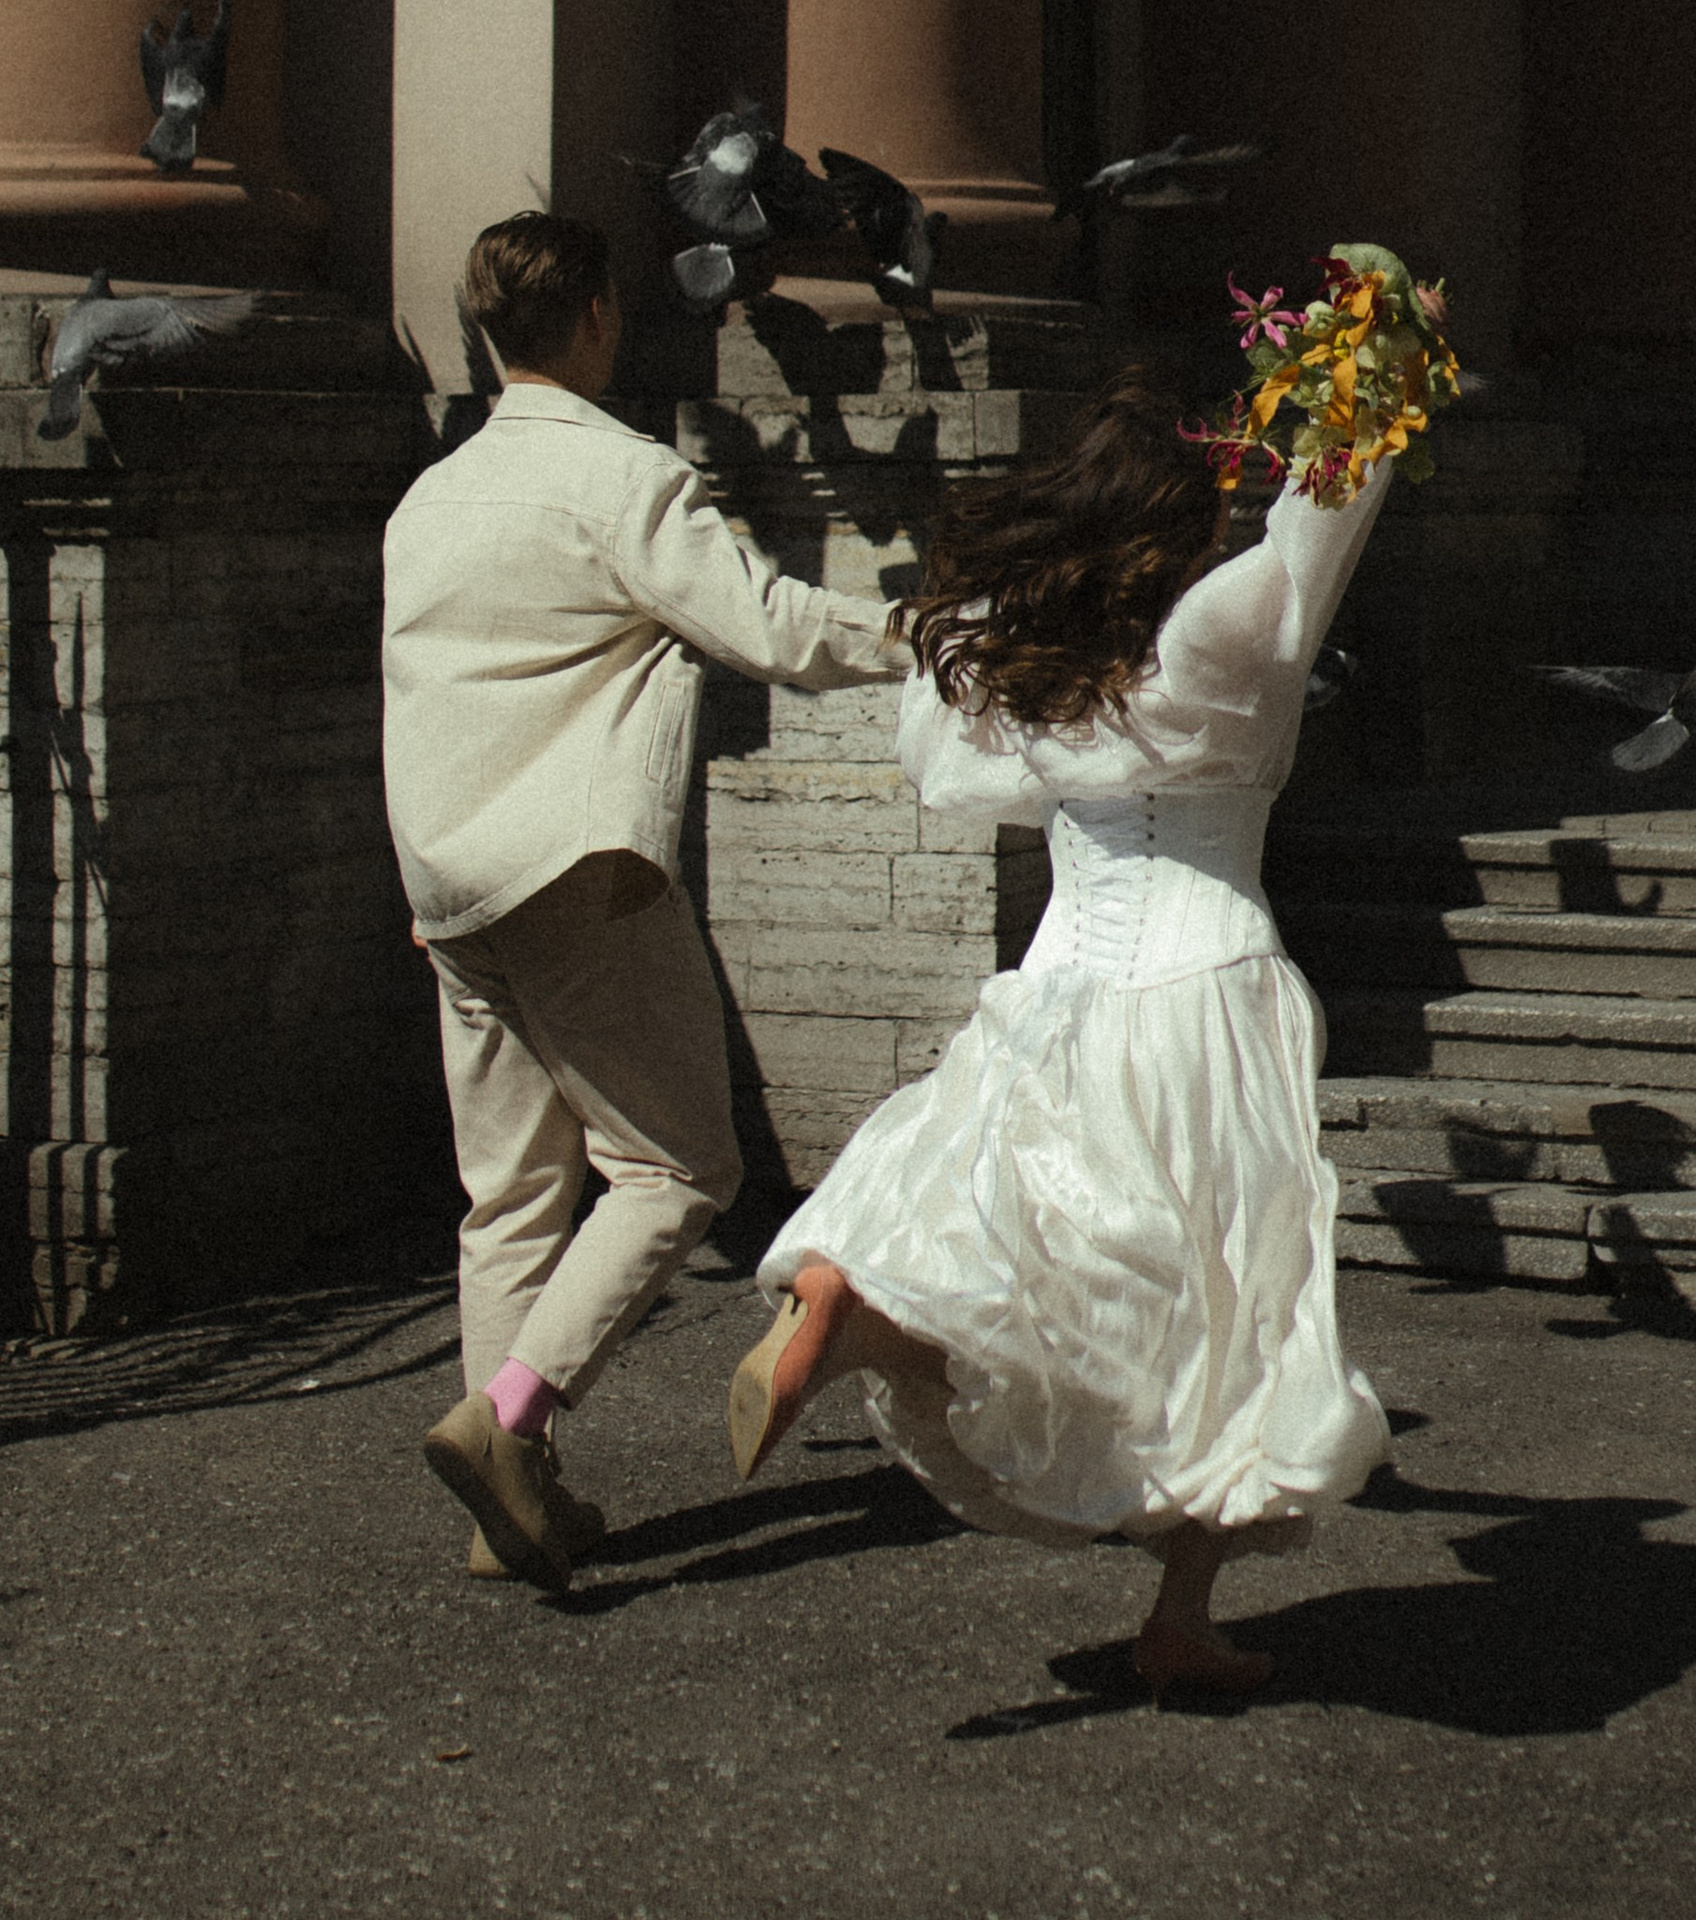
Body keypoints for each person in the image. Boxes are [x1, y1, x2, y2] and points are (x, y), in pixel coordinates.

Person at [725, 365, 1395, 1701]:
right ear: (1178, 523)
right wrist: (1372, 375)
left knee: (1064, 1275)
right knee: (1224, 1309)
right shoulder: (1223, 631)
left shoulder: (1042, 670)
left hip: (1058, 990)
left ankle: (866, 1323)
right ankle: (1179, 1610)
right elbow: (1328, 513)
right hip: (1207, 989)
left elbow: (949, 771)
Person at [382, 210, 904, 1591]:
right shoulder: (627, 482)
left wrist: (422, 885)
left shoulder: (431, 496)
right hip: (574, 878)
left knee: (507, 1200)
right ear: (599, 318)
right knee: (679, 1168)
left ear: (490, 331)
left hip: (450, 884)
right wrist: (915, 636)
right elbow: (773, 629)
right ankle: (508, 1425)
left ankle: (508, 1500)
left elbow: (408, 698)